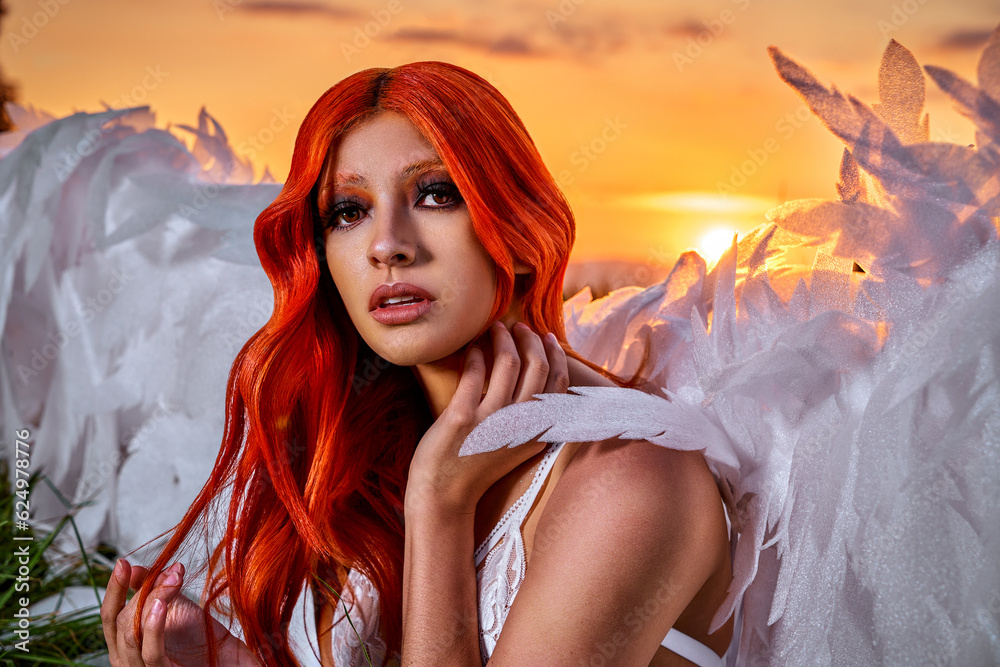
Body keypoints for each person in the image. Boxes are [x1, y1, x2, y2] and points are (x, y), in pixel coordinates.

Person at [99, 61, 736, 666]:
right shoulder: (370, 454)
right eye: (349, 212)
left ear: (516, 229)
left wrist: (439, 505)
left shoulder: (631, 477)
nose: (386, 246)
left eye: (434, 195)